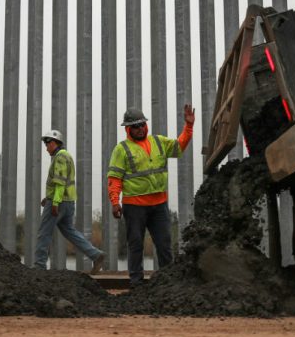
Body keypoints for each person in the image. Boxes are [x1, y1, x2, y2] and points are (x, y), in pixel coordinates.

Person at [107, 104, 195, 286]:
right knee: (136, 245)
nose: (140, 129)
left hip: (159, 205)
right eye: (135, 126)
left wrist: (189, 126)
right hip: (134, 206)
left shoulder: (159, 142)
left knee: (164, 244)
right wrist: (115, 201)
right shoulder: (121, 149)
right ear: (128, 129)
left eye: (142, 125)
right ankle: (136, 283)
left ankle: (168, 282)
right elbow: (114, 178)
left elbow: (179, 148)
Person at [34, 129, 105, 273]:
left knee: (44, 232)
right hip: (68, 202)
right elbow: (62, 182)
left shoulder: (60, 157)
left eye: (47, 144)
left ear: (54, 143)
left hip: (59, 203)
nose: (46, 147)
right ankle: (95, 254)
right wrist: (47, 198)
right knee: (70, 232)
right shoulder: (66, 156)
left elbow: (60, 181)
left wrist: (54, 202)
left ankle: (39, 266)